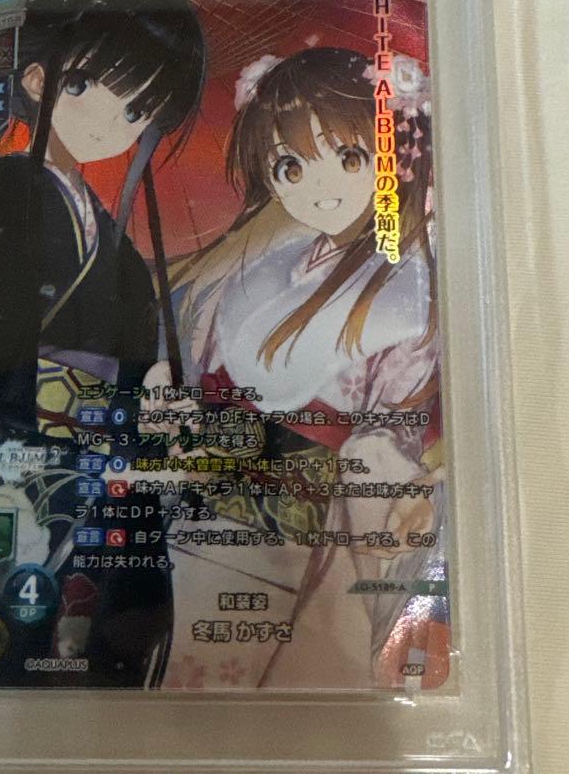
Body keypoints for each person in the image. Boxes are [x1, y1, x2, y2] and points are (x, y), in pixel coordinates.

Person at [0, 0, 206, 688]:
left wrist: (153, 399)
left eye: (138, 108)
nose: (111, 120)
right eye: (86, 86)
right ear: (37, 80)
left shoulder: (108, 241)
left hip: (81, 487)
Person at [156, 47, 444, 687]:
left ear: (396, 153)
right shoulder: (272, 266)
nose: (318, 187)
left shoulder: (411, 291)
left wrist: (387, 480)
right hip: (210, 503)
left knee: (272, 674)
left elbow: (387, 436)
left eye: (349, 157)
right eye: (290, 166)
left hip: (305, 522)